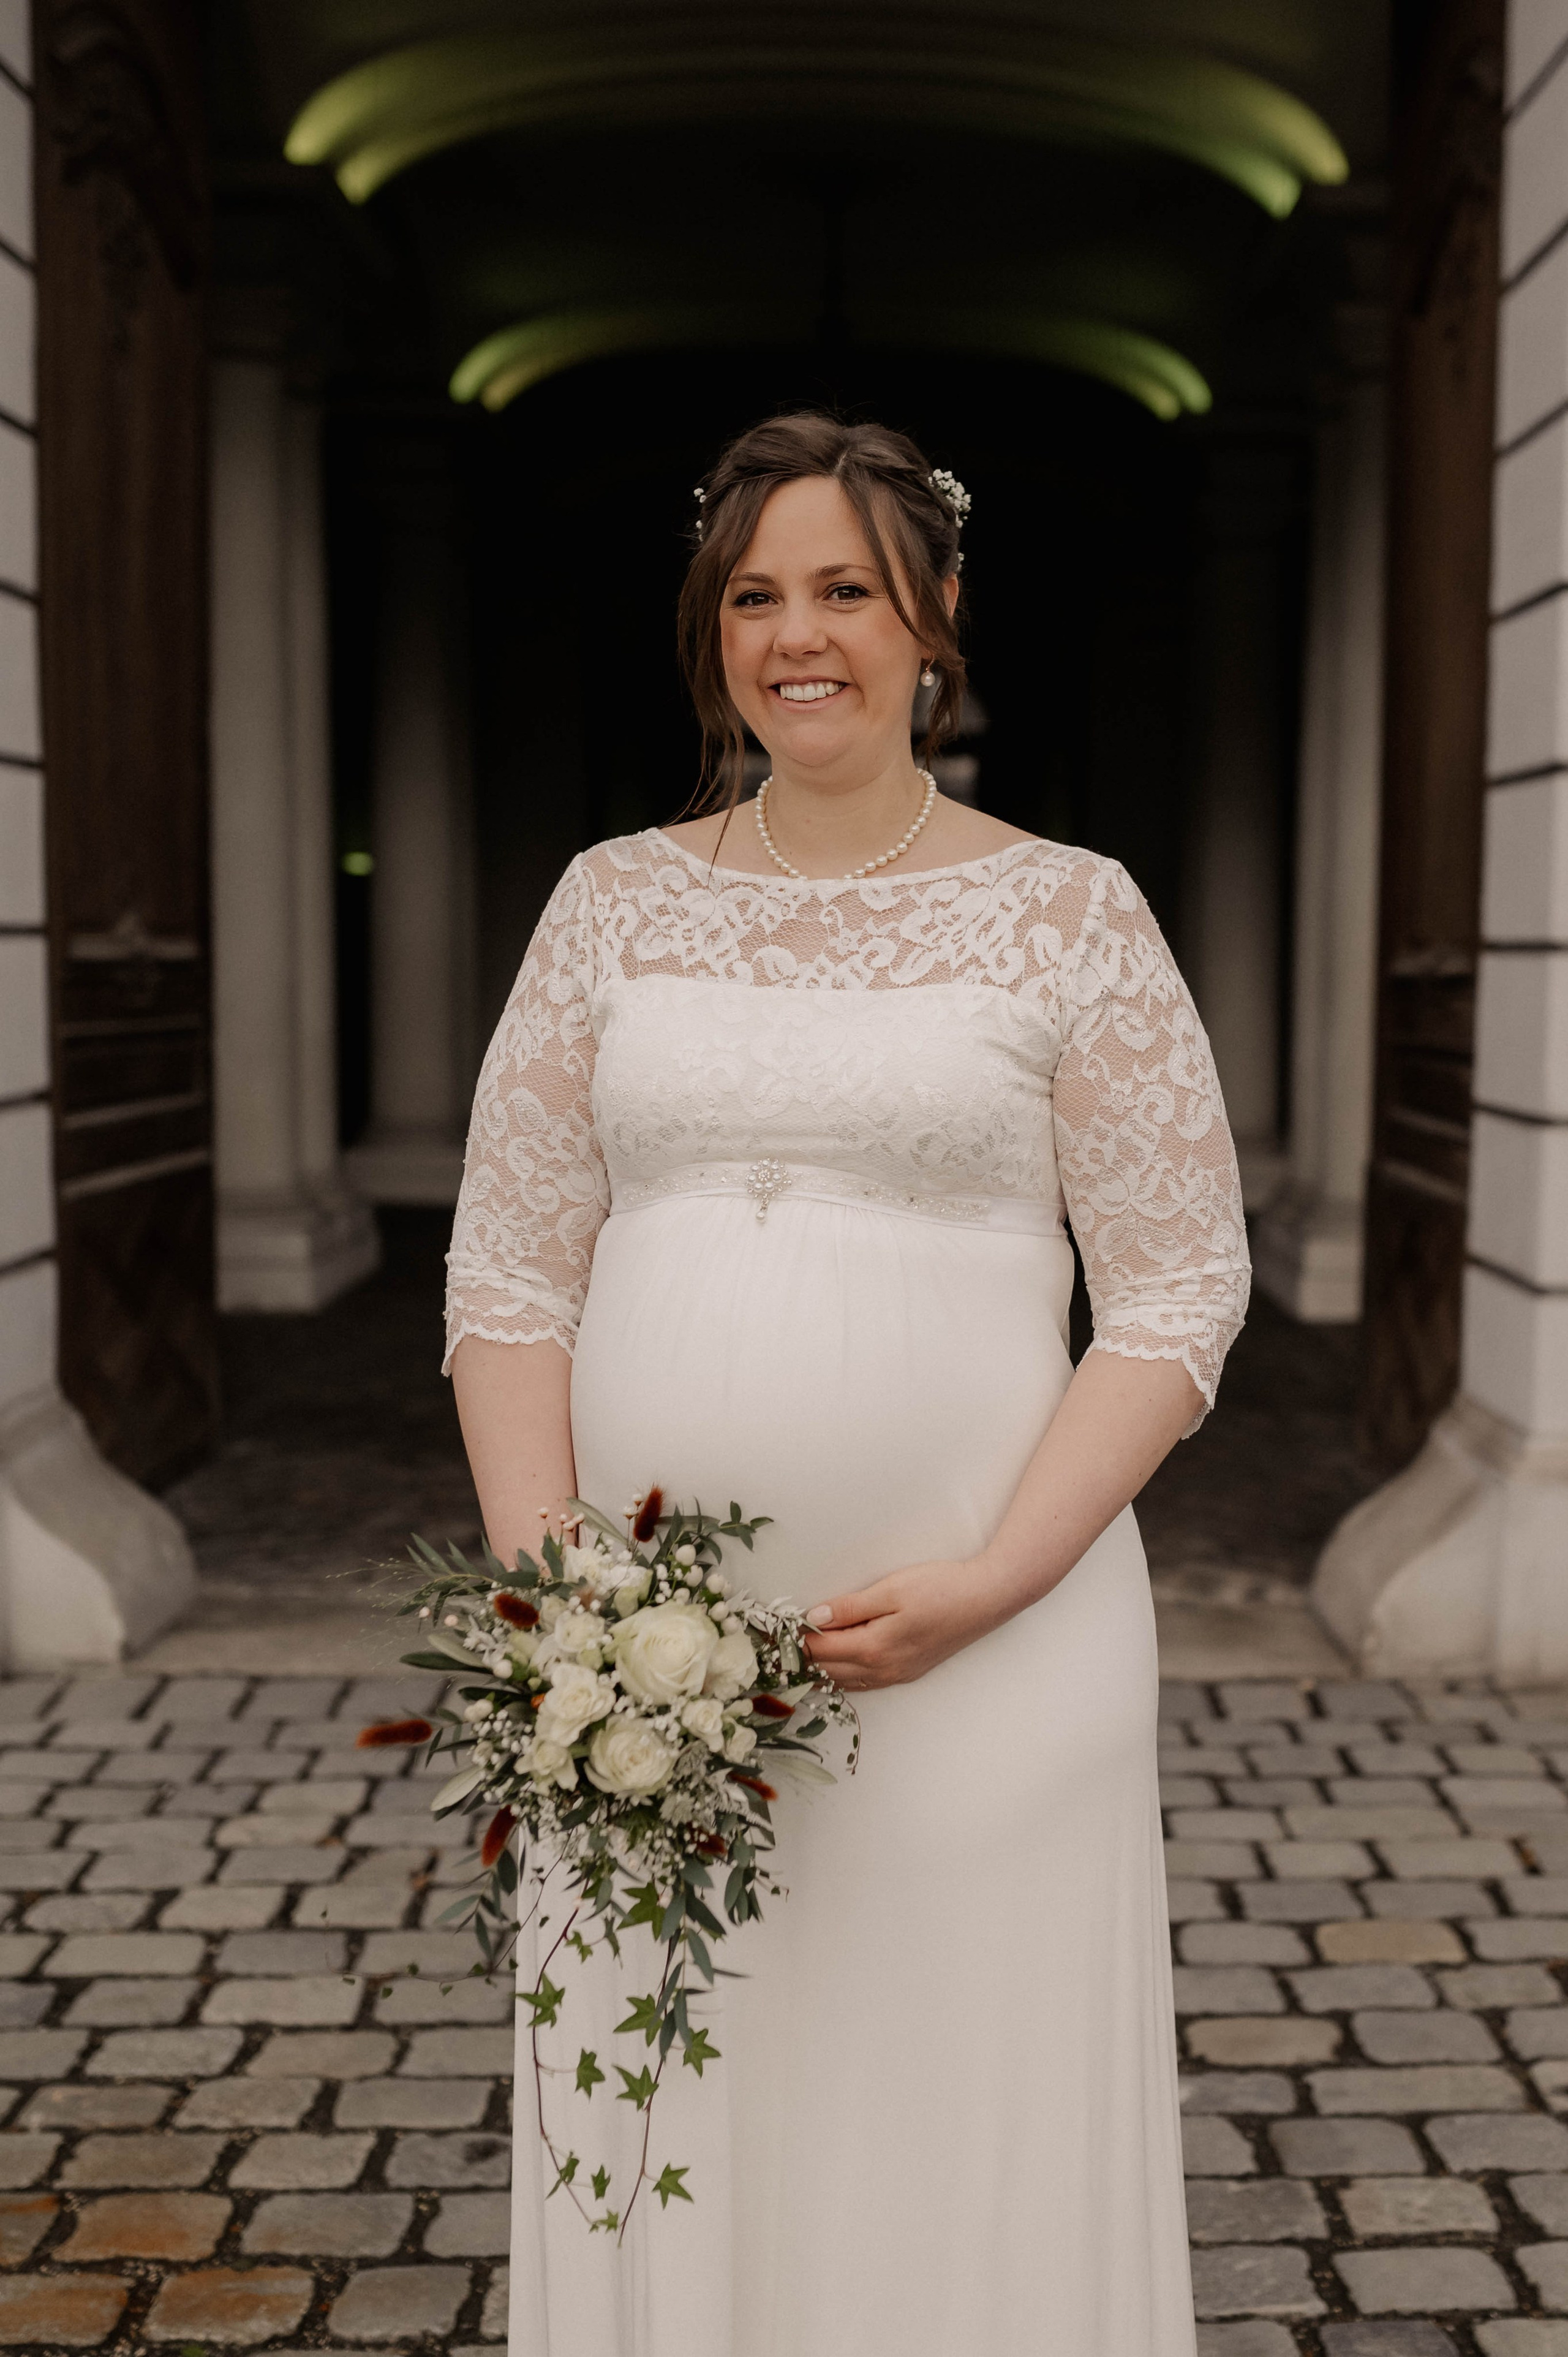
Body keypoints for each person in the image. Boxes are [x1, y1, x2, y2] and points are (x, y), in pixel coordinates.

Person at [444, 410, 1249, 2357]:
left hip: (992, 1653)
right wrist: (564, 1598)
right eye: (755, 596)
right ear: (716, 631)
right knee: (688, 2096)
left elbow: (1176, 1292)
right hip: (651, 1685)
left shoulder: (1073, 912)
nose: (798, 636)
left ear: (936, 617)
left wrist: (997, 1584)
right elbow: (507, 1271)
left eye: (846, 592)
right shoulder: (609, 904)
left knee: (958, 2109)